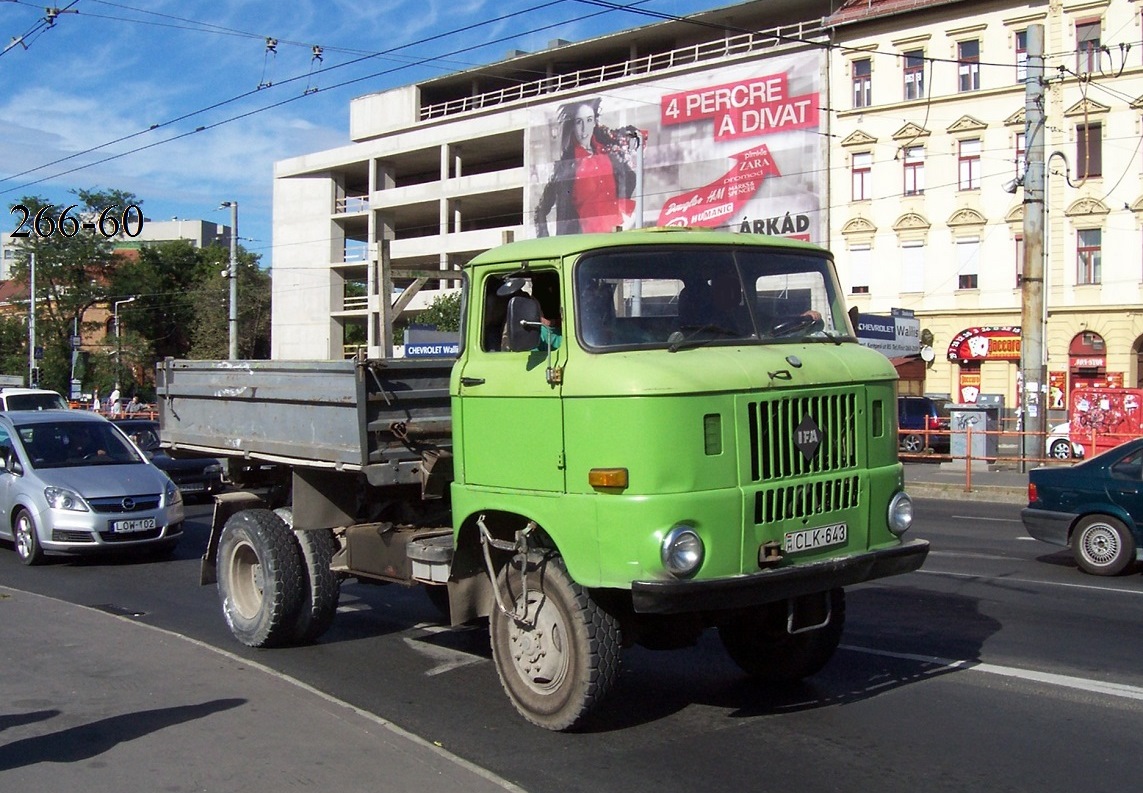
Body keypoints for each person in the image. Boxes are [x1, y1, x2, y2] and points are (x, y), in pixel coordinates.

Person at [533, 97, 640, 237]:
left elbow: (629, 178)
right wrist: (546, 243)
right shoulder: (566, 167)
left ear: (595, 122)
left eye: (589, 120)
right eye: (579, 122)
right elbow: (541, 210)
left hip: (618, 234)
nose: (584, 128)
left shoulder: (607, 151)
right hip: (584, 243)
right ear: (572, 125)